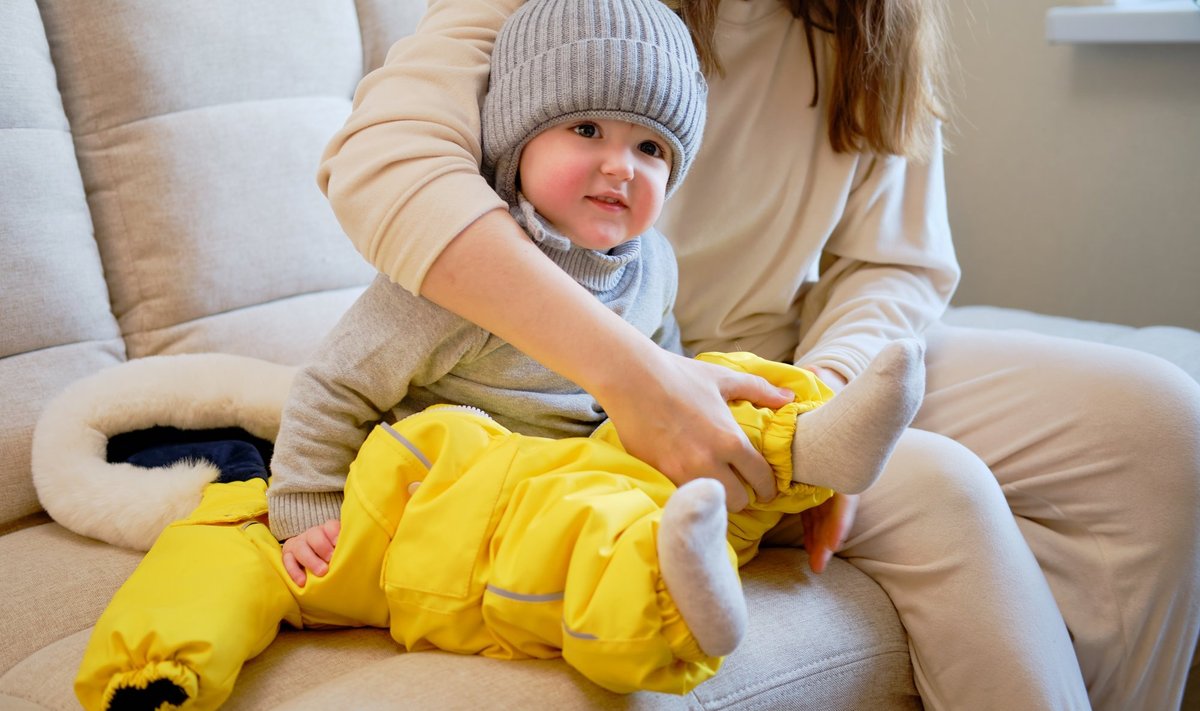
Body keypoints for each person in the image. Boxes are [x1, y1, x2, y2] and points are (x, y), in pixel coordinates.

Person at [315, 0, 1200, 709]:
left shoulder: (872, 24)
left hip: (787, 370)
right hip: (580, 393)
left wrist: (820, 407)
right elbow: (387, 161)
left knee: (1159, 422)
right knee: (942, 486)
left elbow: (891, 263)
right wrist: (635, 376)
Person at [265, 0, 923, 694]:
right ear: (518, 140)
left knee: (728, 382)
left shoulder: (654, 265)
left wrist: (705, 395)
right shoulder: (458, 281)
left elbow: (667, 357)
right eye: (586, 130)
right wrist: (308, 504)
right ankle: (667, 587)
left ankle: (806, 440)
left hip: (597, 451)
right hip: (482, 480)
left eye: (651, 150)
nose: (621, 167)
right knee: (579, 520)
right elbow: (332, 384)